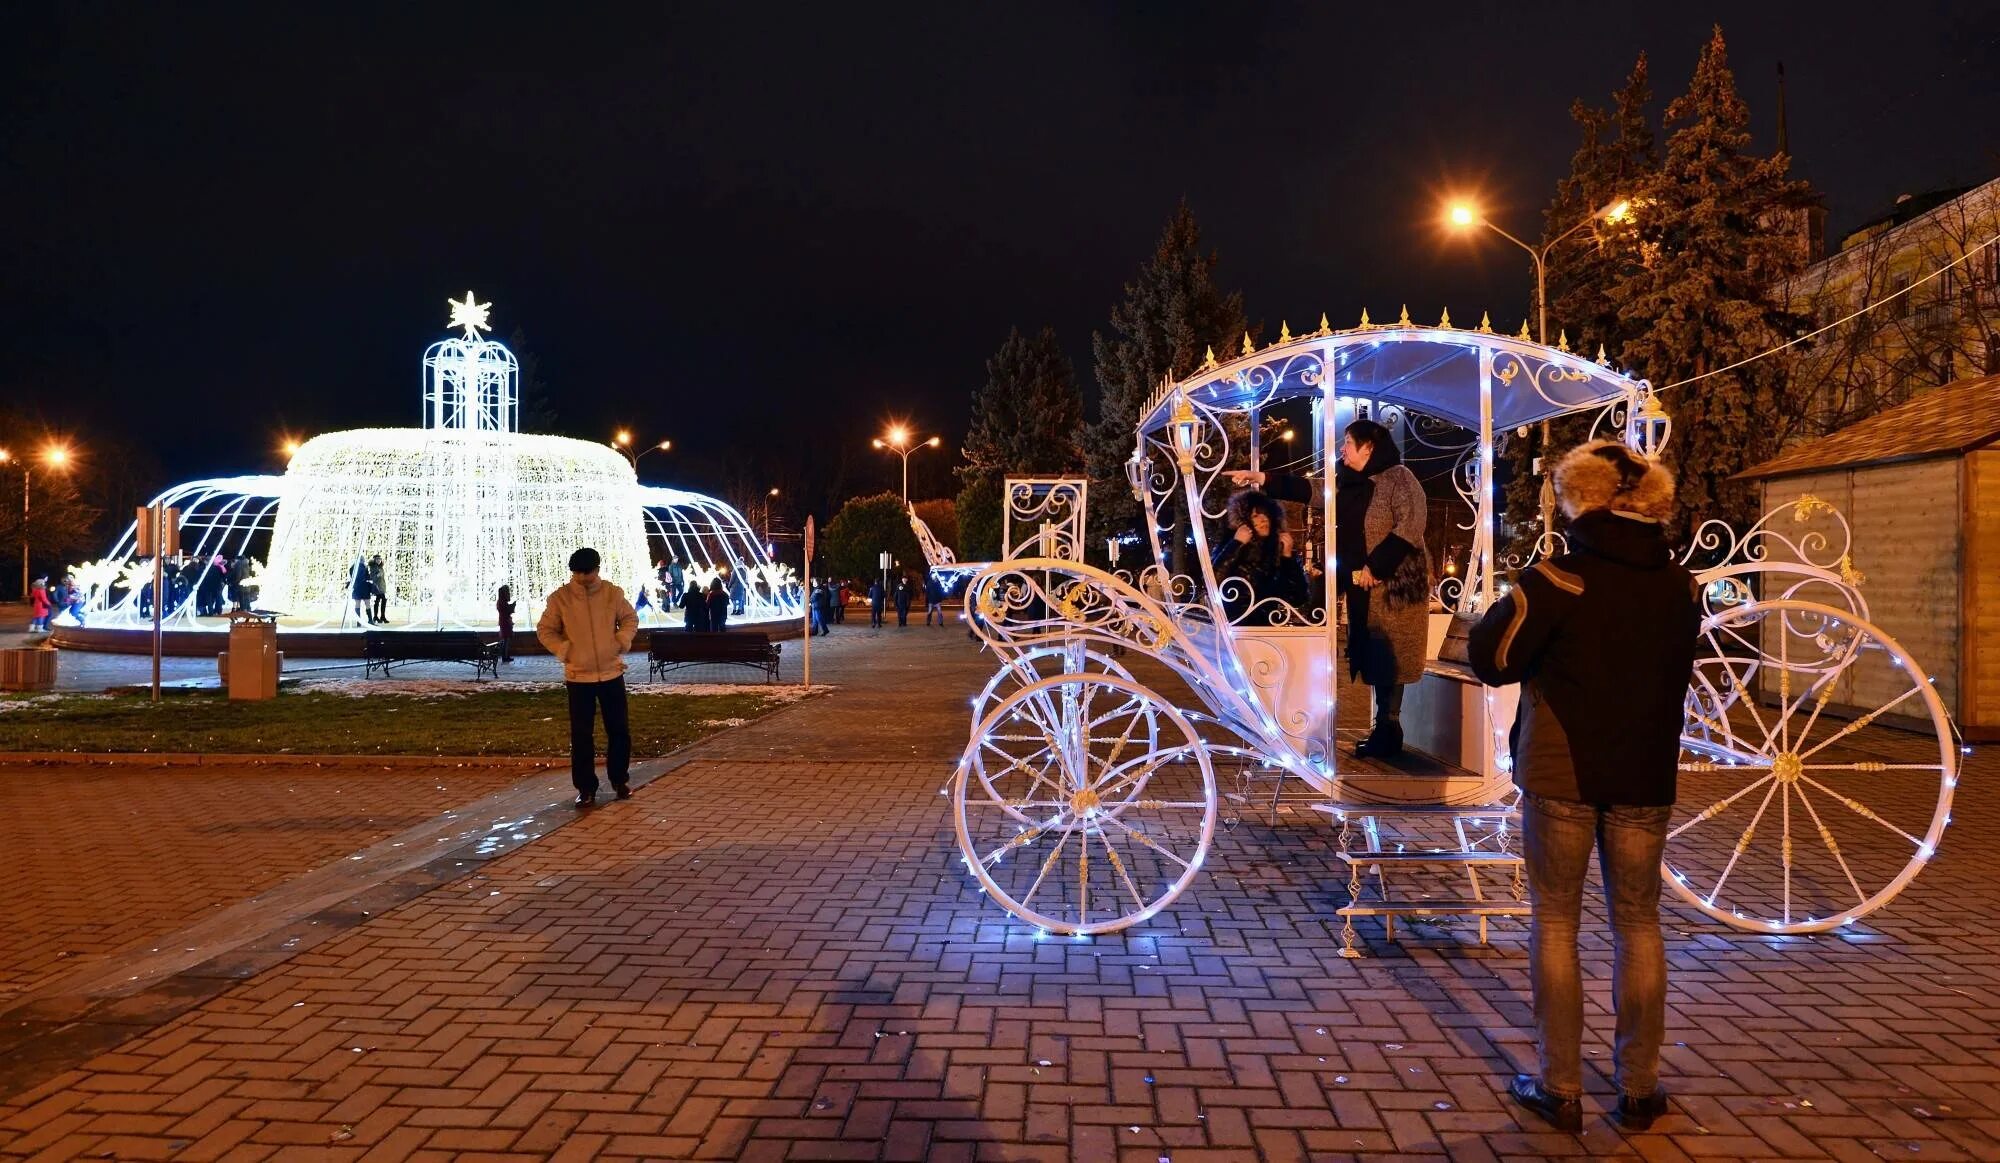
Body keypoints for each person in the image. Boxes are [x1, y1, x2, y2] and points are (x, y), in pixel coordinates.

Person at [1466, 441, 1700, 1134]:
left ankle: (1559, 1085)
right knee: (1638, 921)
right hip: (1646, 771)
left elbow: (1493, 657)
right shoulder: (1681, 585)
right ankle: (1640, 1088)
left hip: (1561, 770)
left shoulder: (1558, 581)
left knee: (1556, 920)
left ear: (1581, 502)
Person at [1231, 418, 1429, 758]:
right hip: (1361, 588)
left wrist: (1376, 566)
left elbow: (1411, 525)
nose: (1342, 448)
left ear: (1369, 447)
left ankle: (1389, 730)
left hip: (1392, 589)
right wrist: (1262, 479)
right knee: (1374, 657)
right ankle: (1383, 731)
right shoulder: (1346, 482)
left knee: (1391, 659)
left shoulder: (1400, 479)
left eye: (1348, 442)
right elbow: (1309, 490)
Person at [536, 547, 638, 807]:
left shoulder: (612, 594)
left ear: (597, 569)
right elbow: (545, 630)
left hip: (611, 672)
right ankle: (585, 787)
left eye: (588, 573)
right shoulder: (560, 598)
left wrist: (621, 640)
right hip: (579, 676)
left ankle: (619, 780)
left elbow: (629, 618)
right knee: (581, 735)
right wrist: (564, 650)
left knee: (619, 731)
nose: (583, 578)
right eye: (578, 573)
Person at [1211, 489, 1309, 625]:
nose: (1263, 519)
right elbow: (1212, 582)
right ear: (1244, 520)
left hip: (1268, 629)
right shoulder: (1231, 545)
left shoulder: (1278, 551)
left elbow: (1298, 598)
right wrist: (1236, 544)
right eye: (1256, 515)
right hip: (1234, 628)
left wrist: (1288, 557)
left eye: (1266, 514)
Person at [348, 556, 372, 625]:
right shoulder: (364, 567)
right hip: (364, 587)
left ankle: (358, 621)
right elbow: (367, 576)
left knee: (357, 604)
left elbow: (351, 575)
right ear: (362, 560)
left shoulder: (353, 567)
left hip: (356, 587)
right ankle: (370, 620)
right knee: (367, 603)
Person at [495, 584, 516, 663]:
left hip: (504, 622)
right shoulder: (502, 602)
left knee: (506, 640)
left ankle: (505, 656)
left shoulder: (501, 601)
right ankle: (505, 656)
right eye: (507, 592)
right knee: (506, 640)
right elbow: (506, 611)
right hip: (505, 622)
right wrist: (512, 606)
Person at [367, 554, 387, 622]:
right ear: (374, 560)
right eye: (377, 559)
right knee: (382, 600)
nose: (379, 560)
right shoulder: (373, 567)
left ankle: (378, 616)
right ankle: (379, 616)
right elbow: (372, 577)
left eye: (380, 559)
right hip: (377, 587)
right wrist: (378, 575)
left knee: (379, 601)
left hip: (382, 586)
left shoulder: (380, 567)